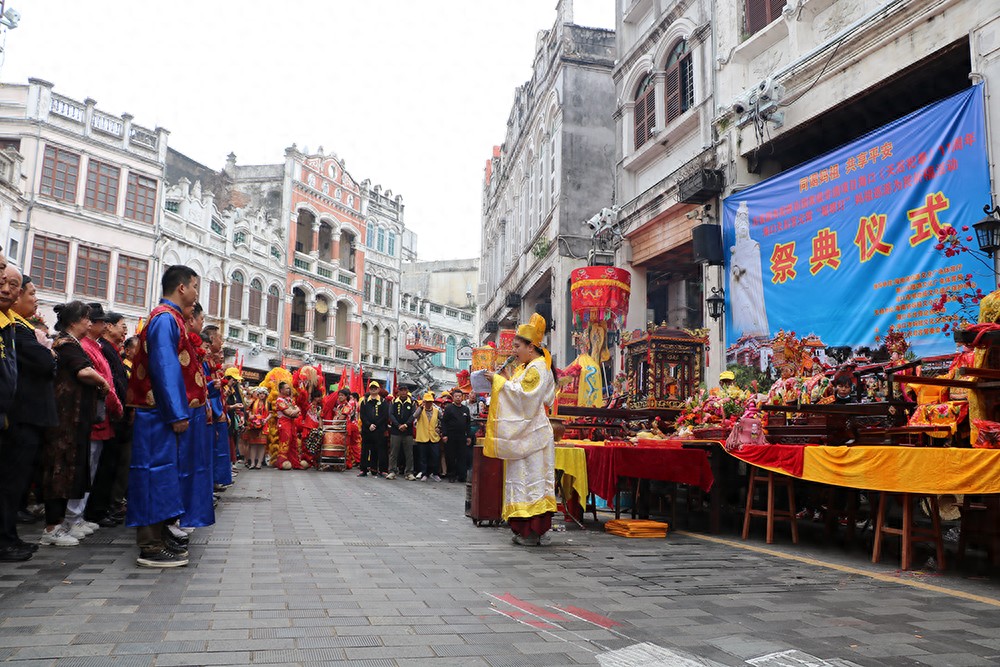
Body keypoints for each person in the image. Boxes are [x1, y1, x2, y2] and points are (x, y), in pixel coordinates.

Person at [126, 265, 206, 568]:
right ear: (182, 287)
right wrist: (176, 412)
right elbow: (165, 368)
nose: (197, 293)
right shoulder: (164, 319)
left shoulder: (171, 319)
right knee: (154, 474)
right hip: (159, 416)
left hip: (163, 415)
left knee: (165, 474)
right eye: (195, 286)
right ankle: (150, 545)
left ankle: (160, 536)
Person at [40, 301, 111, 548]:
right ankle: (53, 527)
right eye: (86, 319)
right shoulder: (67, 344)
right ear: (74, 321)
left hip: (74, 419)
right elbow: (83, 372)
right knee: (59, 471)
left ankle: (63, 524)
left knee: (71, 471)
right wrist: (102, 382)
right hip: (64, 420)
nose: (90, 324)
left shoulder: (73, 343)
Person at [483, 313, 557, 546]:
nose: (513, 351)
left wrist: (499, 383)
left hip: (533, 435)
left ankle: (533, 531)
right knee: (522, 481)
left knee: (532, 480)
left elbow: (525, 399)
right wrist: (503, 378)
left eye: (517, 346)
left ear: (531, 346)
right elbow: (517, 390)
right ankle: (523, 529)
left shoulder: (536, 369)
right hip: (525, 434)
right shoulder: (529, 367)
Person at [0, 268, 53, 561]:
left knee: (14, 483)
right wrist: (47, 352)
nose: (9, 290)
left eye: (15, 286)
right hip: (17, 416)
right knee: (9, 483)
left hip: (15, 416)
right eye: (3, 282)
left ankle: (9, 537)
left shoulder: (12, 326)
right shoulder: (19, 330)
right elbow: (46, 363)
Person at [85, 310, 130, 528]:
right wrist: (119, 406)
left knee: (109, 465)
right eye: (121, 326)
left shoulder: (108, 350)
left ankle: (101, 508)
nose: (125, 331)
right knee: (100, 465)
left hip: (115, 414)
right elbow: (111, 383)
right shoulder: (100, 348)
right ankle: (95, 511)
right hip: (107, 414)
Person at [201, 325, 232, 488]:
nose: (222, 341)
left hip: (215, 408)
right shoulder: (204, 361)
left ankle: (217, 480)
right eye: (219, 337)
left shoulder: (210, 362)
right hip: (208, 411)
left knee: (217, 448)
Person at [358, 380, 389, 477]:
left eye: (375, 388)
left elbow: (384, 416)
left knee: (380, 450)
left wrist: (375, 425)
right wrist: (369, 425)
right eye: (371, 388)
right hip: (367, 430)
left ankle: (380, 469)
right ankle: (363, 470)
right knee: (365, 450)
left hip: (379, 430)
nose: (373, 390)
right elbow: (362, 415)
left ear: (379, 389)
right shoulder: (364, 401)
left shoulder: (384, 402)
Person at [441, 387, 472, 483]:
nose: (458, 398)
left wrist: (469, 436)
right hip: (451, 436)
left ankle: (461, 476)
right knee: (450, 456)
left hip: (462, 436)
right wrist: (444, 435)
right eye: (456, 396)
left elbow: (468, 424)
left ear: (462, 397)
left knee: (462, 456)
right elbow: (444, 422)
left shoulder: (465, 409)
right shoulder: (449, 408)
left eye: (460, 396)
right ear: (453, 397)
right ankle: (451, 475)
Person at [388, 383, 417, 480]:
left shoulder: (412, 402)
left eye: (405, 390)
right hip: (396, 431)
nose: (403, 392)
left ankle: (409, 472)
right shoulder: (393, 401)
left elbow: (413, 415)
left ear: (408, 391)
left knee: (409, 453)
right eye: (401, 390)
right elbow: (391, 414)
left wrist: (406, 424)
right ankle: (392, 471)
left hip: (407, 431)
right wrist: (398, 425)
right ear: (398, 391)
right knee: (393, 452)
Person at [413, 391, 442, 482]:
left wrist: (439, 428)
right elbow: (414, 416)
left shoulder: (437, 411)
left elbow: (443, 420)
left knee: (435, 456)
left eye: (430, 401)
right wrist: (421, 406)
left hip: (434, 437)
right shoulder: (420, 410)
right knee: (423, 457)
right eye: (427, 401)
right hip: (422, 437)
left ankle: (435, 473)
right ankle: (424, 473)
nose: (429, 403)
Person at [273, 381, 300, 469]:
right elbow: (289, 413)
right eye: (287, 388)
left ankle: (294, 462)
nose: (289, 390)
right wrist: (296, 410)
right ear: (281, 390)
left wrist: (294, 411)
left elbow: (296, 413)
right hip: (284, 423)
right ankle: (282, 463)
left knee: (293, 442)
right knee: (285, 442)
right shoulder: (279, 400)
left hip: (291, 423)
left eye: (289, 388)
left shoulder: (289, 400)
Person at [244, 387, 269, 469]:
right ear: (258, 395)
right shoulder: (253, 402)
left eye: (263, 394)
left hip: (264, 425)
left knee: (262, 445)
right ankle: (252, 463)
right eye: (260, 394)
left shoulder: (268, 403)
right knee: (253, 444)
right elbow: (248, 410)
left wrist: (266, 419)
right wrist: (251, 415)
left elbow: (271, 413)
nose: (262, 395)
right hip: (254, 425)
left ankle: (259, 463)